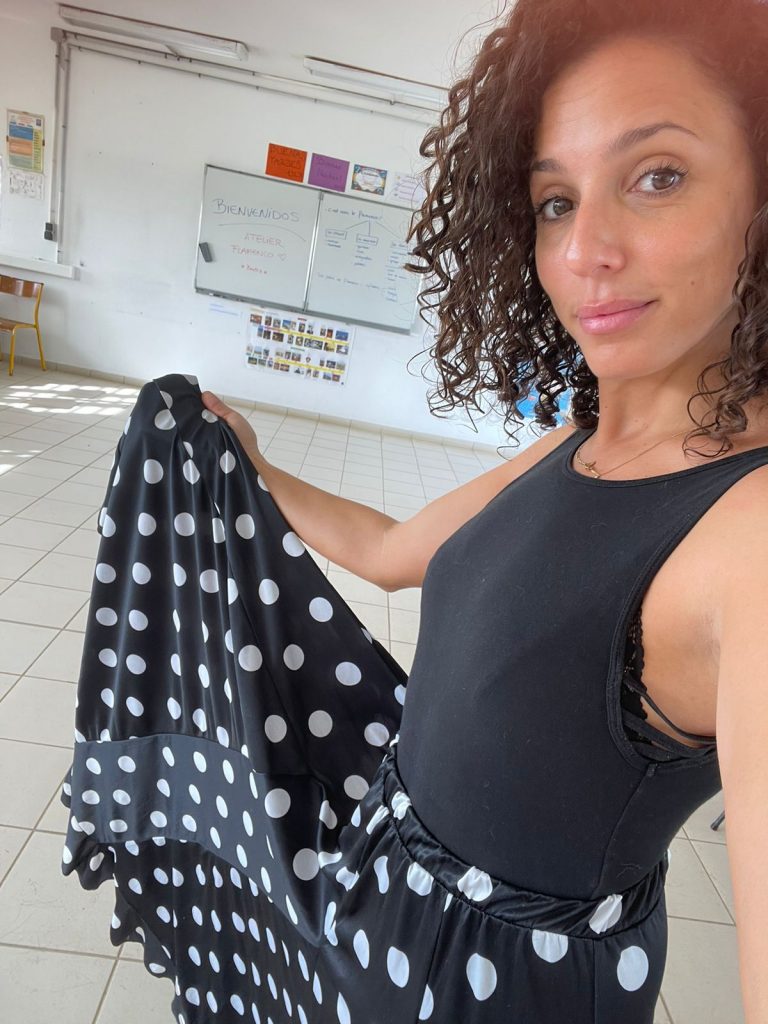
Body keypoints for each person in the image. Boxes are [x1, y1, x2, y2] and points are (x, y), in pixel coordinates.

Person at [200, 0, 768, 1020]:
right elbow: (388, 551)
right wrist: (256, 466)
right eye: (556, 200)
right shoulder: (578, 440)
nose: (585, 249)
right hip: (377, 895)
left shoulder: (749, 533)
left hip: (498, 989)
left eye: (658, 176)